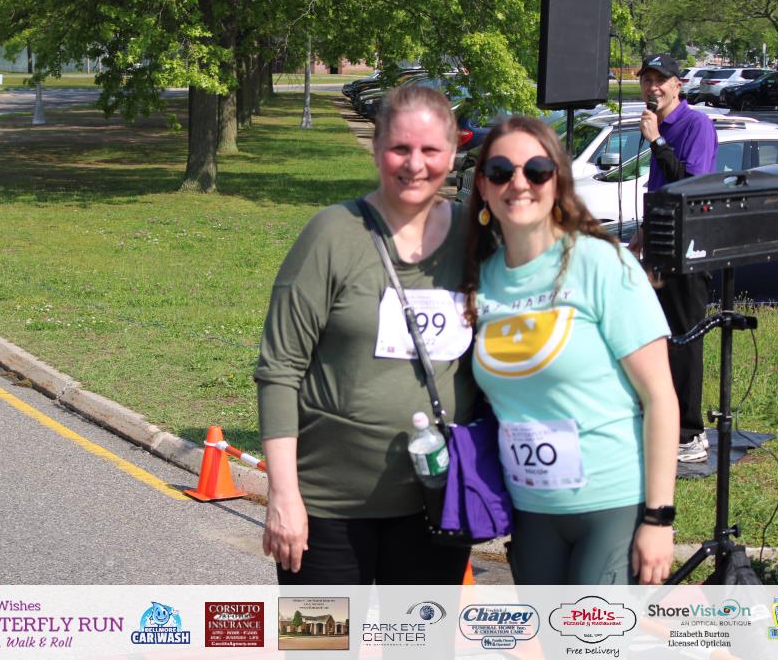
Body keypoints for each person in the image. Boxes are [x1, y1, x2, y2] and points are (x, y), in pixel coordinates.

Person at [255, 85, 476, 585]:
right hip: (328, 509)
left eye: (430, 150)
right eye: (400, 148)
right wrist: (283, 494)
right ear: (376, 149)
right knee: (321, 632)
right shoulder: (332, 234)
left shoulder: (476, 238)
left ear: (452, 154)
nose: (414, 164)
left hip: (437, 505)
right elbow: (279, 370)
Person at [463, 116, 679, 585]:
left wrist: (659, 518)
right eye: (500, 172)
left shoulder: (603, 263)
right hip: (530, 512)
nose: (519, 183)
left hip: (611, 506)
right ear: (482, 186)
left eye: (536, 170)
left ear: (558, 180)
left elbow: (660, 397)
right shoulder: (482, 279)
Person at [632, 53, 718, 464]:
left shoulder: (695, 125)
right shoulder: (658, 126)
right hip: (659, 245)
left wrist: (657, 141)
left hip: (690, 248)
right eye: (646, 80)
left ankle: (691, 433)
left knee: (684, 340)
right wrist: (642, 234)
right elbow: (661, 190)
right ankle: (663, 420)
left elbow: (692, 186)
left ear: (677, 85)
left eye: (660, 80)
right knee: (656, 338)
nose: (653, 88)